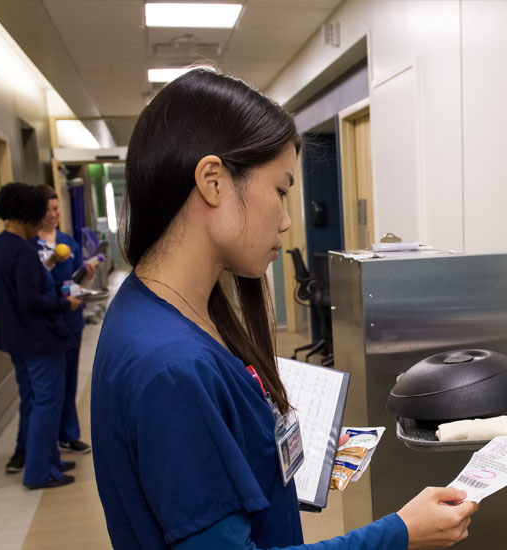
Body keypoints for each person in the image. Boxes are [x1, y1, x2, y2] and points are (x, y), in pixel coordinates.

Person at [90, 68, 478, 550]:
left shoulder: (158, 310)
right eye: (280, 190)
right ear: (213, 181)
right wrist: (399, 533)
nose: (289, 219)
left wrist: (275, 452)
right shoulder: (171, 368)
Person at [0, 182, 82, 489]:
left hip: (16, 340)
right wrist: (64, 303)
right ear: (28, 215)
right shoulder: (23, 252)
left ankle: (49, 462)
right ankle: (39, 472)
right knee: (47, 403)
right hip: (38, 341)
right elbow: (29, 300)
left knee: (34, 400)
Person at [33, 186, 94, 455]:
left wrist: (87, 273)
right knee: (46, 388)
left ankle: (68, 434)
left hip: (70, 318)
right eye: (49, 210)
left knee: (69, 380)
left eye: (56, 209)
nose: (54, 214)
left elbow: (77, 279)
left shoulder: (68, 242)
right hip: (45, 322)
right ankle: (42, 443)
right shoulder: (29, 246)